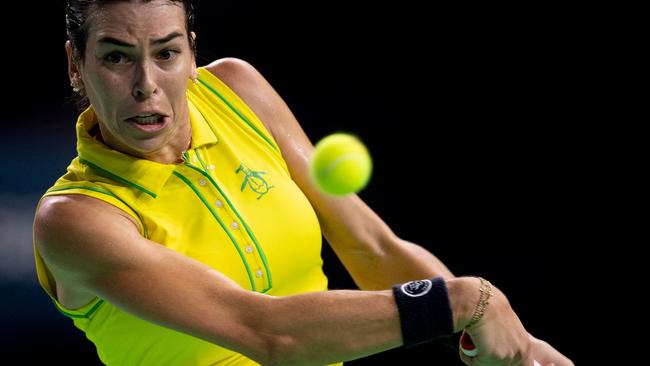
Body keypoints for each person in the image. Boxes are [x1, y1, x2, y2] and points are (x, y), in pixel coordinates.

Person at [32, 1, 573, 365]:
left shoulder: (237, 90)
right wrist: (459, 302)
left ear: (192, 54)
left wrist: (515, 348)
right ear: (76, 65)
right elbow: (266, 331)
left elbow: (371, 246)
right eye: (116, 58)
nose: (146, 85)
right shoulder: (76, 219)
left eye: (167, 53)